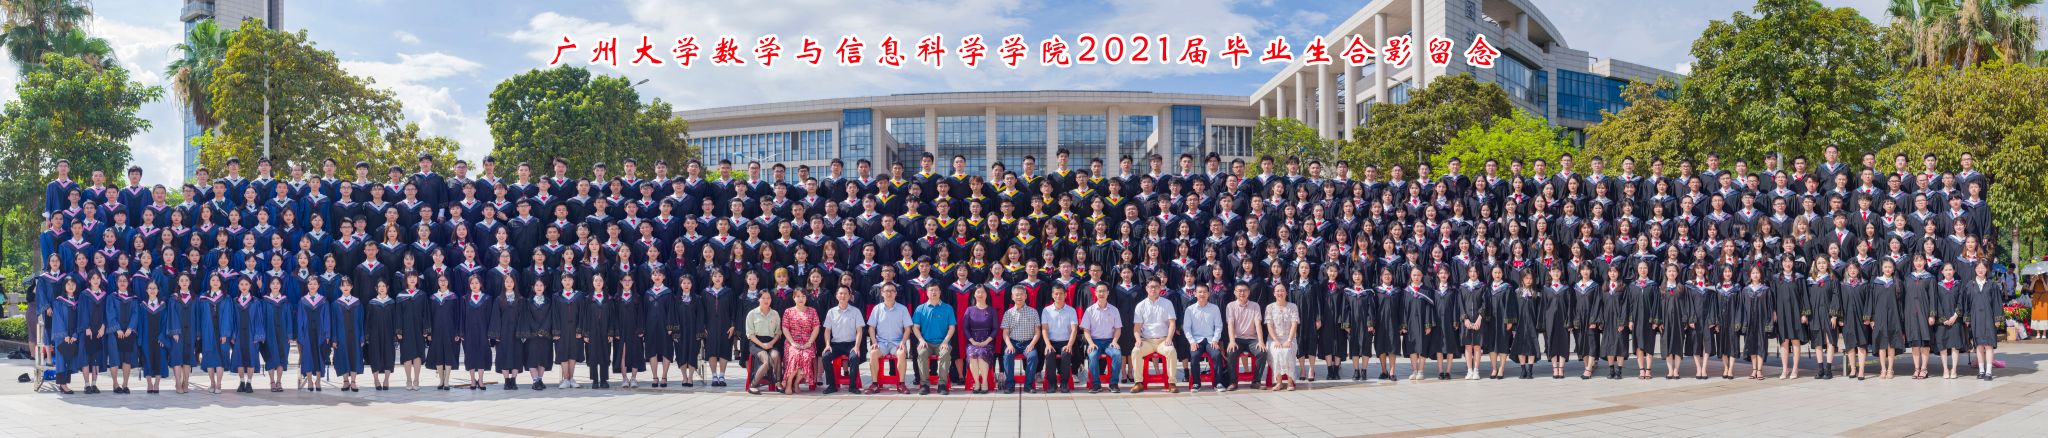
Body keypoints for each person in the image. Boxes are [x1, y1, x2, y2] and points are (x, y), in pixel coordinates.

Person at [865, 284, 912, 394]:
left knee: (901, 353)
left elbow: (908, 328)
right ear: (882, 293)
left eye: (892, 291)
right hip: (881, 342)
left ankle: (901, 384)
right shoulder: (877, 308)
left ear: (896, 293)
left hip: (897, 343)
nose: (889, 293)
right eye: (886, 291)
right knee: (873, 353)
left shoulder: (902, 309)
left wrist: (903, 342)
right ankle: (875, 384)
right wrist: (874, 342)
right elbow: (871, 327)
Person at [910, 285, 956, 395]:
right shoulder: (920, 309)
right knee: (922, 353)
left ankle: (942, 384)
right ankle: (924, 384)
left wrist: (945, 341)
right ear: (926, 293)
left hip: (942, 342)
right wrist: (921, 340)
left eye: (936, 290)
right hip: (926, 342)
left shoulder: (948, 308)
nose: (934, 292)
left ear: (940, 292)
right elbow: (915, 327)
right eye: (931, 290)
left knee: (945, 353)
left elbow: (952, 327)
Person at [820, 287, 865, 394]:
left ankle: (852, 386)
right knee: (825, 357)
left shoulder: (856, 311)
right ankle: (832, 385)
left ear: (850, 296)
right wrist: (827, 344)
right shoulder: (831, 312)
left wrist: (857, 346)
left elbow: (859, 330)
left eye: (845, 293)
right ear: (836, 296)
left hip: (851, 344)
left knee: (854, 357)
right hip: (836, 344)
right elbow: (827, 330)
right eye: (840, 293)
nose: (843, 296)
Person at [1079, 285, 1123, 393]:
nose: (1101, 293)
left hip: (1110, 341)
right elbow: (1086, 330)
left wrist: (1114, 341)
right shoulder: (1090, 310)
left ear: (1108, 293)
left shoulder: (1114, 310)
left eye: (1104, 291)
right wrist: (1090, 343)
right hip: (1095, 341)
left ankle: (1113, 384)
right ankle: (1096, 384)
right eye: (1099, 291)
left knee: (1117, 354)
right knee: (1092, 355)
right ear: (1095, 293)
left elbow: (1118, 329)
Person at [998, 286, 1042, 394]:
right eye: (1016, 295)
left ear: (1026, 296)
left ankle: (1028, 385)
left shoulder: (1033, 312)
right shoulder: (1008, 313)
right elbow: (1005, 333)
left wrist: (1032, 344)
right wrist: (1009, 345)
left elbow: (1037, 332)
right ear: (1012, 297)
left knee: (1033, 356)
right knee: (1007, 356)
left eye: (1022, 294)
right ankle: (1010, 385)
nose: (1019, 297)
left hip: (1028, 342)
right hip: (1013, 342)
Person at [1182, 284, 1224, 392]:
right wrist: (1192, 341)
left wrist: (1215, 339)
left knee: (1216, 354)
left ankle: (1218, 383)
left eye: (1205, 292)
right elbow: (1187, 328)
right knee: (1194, 356)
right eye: (1200, 292)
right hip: (1196, 340)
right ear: (1195, 293)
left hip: (1211, 340)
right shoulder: (1190, 309)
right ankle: (1196, 383)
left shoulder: (1214, 308)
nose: (1202, 294)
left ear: (1208, 294)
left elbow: (1218, 326)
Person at [1964, 262, 2002, 380]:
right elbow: (1966, 303)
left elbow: (1997, 302)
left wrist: (1997, 319)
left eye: (1983, 268)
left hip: (1989, 318)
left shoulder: (1992, 285)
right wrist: (1967, 318)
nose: (1980, 270)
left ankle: (1989, 372)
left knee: (1989, 345)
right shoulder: (1970, 285)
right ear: (1975, 269)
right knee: (1979, 345)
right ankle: (1981, 370)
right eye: (1978, 268)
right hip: (1975, 318)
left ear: (1987, 270)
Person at [1040, 285, 1080, 393]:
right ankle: (1052, 384)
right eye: (1056, 293)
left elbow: (1074, 329)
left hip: (1066, 342)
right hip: (1051, 342)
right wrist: (1048, 344)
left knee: (1066, 354)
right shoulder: (1046, 310)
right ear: (1052, 295)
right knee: (1049, 354)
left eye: (1061, 293)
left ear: (1065, 295)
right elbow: (1044, 329)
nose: (1058, 296)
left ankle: (1064, 383)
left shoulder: (1071, 310)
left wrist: (1069, 345)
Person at [780, 288, 820, 394]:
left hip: (808, 342)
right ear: (794, 298)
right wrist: (792, 343)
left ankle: (796, 383)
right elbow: (785, 328)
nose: (801, 299)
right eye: (798, 296)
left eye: (803, 296)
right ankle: (789, 382)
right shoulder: (788, 311)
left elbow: (816, 328)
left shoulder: (812, 311)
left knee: (806, 356)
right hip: (792, 342)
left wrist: (809, 342)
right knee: (795, 355)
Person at [961, 286, 999, 394]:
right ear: (974, 294)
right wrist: (973, 341)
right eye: (978, 292)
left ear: (987, 294)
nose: (980, 294)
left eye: (983, 292)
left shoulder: (992, 310)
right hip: (973, 341)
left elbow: (995, 329)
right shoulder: (969, 310)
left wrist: (986, 341)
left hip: (988, 341)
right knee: (973, 354)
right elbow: (965, 328)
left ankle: (985, 382)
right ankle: (977, 382)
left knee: (982, 354)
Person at [743, 288, 781, 394]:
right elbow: (750, 334)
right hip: (756, 343)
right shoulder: (752, 314)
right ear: (758, 299)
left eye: (768, 298)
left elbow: (778, 332)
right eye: (763, 298)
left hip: (771, 342)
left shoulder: (775, 314)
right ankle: (753, 385)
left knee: (776, 355)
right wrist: (762, 345)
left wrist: (771, 343)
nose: (766, 300)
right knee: (767, 361)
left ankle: (778, 382)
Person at [1266, 284, 1301, 391]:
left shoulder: (1293, 306)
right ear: (1274, 293)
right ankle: (1279, 382)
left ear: (1286, 293)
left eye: (1282, 291)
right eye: (1277, 291)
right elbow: (1269, 326)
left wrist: (1289, 340)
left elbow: (1294, 324)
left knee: (1287, 351)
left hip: (1289, 338)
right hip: (1274, 339)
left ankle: (1290, 382)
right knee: (1276, 352)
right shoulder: (1270, 307)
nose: (1280, 293)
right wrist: (1276, 340)